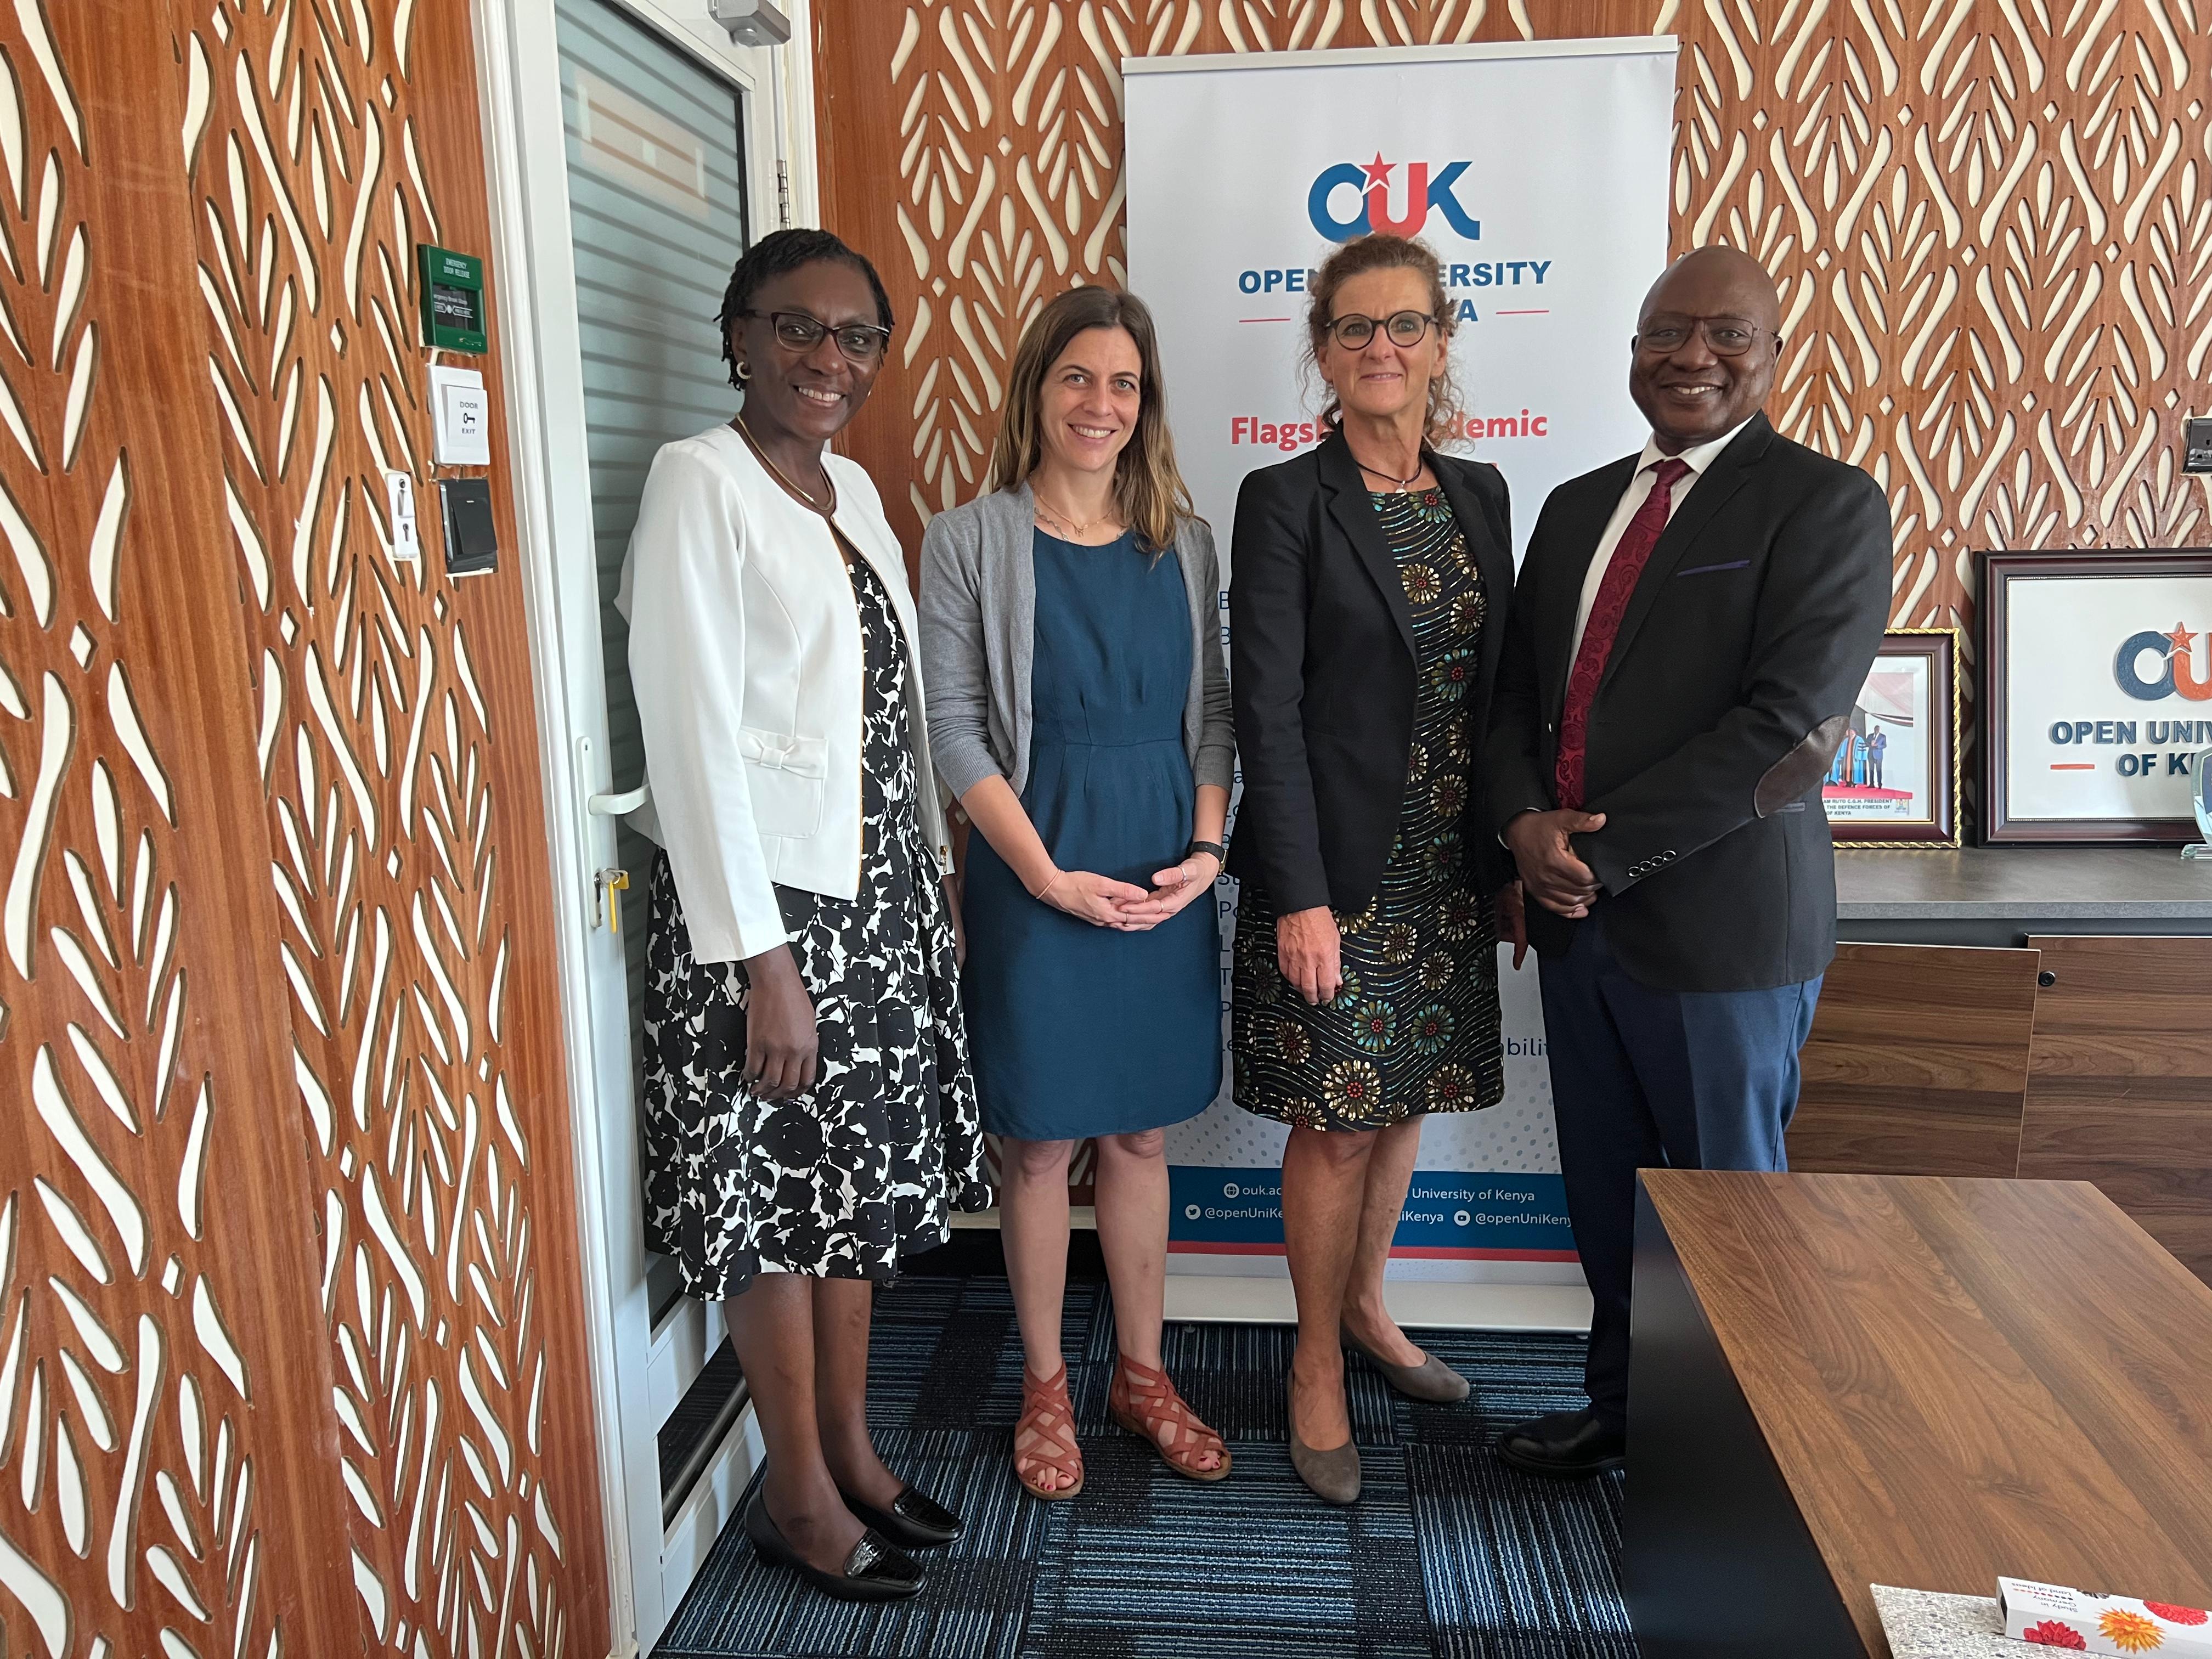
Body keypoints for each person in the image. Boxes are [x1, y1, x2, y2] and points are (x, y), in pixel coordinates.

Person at [620, 228, 990, 1600]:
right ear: (742, 335)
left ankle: (851, 1446)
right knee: (776, 1203)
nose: (827, 360)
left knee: (850, 1194)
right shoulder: (696, 486)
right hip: (763, 914)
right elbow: (694, 733)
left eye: (855, 338)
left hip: (874, 898)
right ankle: (791, 1489)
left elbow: (875, 723)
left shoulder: (852, 494)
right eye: (798, 329)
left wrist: (928, 875)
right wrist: (763, 960)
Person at [1486, 245, 1892, 1479]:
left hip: (1720, 934)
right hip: (1576, 927)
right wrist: (1520, 828)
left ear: (1774, 356)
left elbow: (1787, 732)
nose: (1693, 356)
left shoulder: (1824, 503)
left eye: (1726, 335)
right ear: (1633, 350)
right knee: (1608, 1194)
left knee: (1730, 1216)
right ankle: (1621, 1409)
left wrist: (1597, 855)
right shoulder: (1575, 506)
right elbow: (1514, 703)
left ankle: (1734, 1473)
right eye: (1667, 331)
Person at [919, 286, 1233, 1501]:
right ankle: (1046, 1383)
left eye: (1124, 384)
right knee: (1040, 1143)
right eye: (1078, 378)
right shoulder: (968, 538)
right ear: (1036, 390)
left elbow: (1215, 722)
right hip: (1030, 867)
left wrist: (1207, 860)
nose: (1100, 405)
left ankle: (1142, 1374)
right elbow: (954, 733)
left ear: (1145, 404)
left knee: (1143, 1132)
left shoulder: (1188, 541)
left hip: (1164, 866)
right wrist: (1046, 877)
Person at [1227, 233, 1520, 1506]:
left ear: (1445, 340)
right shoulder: (1287, 502)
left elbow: (1500, 697)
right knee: (1333, 1130)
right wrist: (1297, 893)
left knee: (1401, 1109)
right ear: (1325, 352)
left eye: (1406, 326)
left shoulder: (1483, 496)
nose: (1383, 349)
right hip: (1337, 875)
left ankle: (1368, 1311)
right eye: (1357, 329)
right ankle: (1311, 1366)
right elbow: (1267, 711)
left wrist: (1506, 857)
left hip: (1445, 871)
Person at [1868, 725, 1888, 791]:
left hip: (1878, 755)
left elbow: (1885, 745)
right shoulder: (1870, 736)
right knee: (1871, 770)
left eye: (1878, 729)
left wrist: (1877, 746)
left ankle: (1879, 784)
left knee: (1879, 770)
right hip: (1871, 754)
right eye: (1875, 729)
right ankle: (1871, 784)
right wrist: (1870, 745)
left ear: (1879, 730)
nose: (1876, 730)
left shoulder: (1883, 737)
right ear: (1874, 729)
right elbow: (1866, 743)